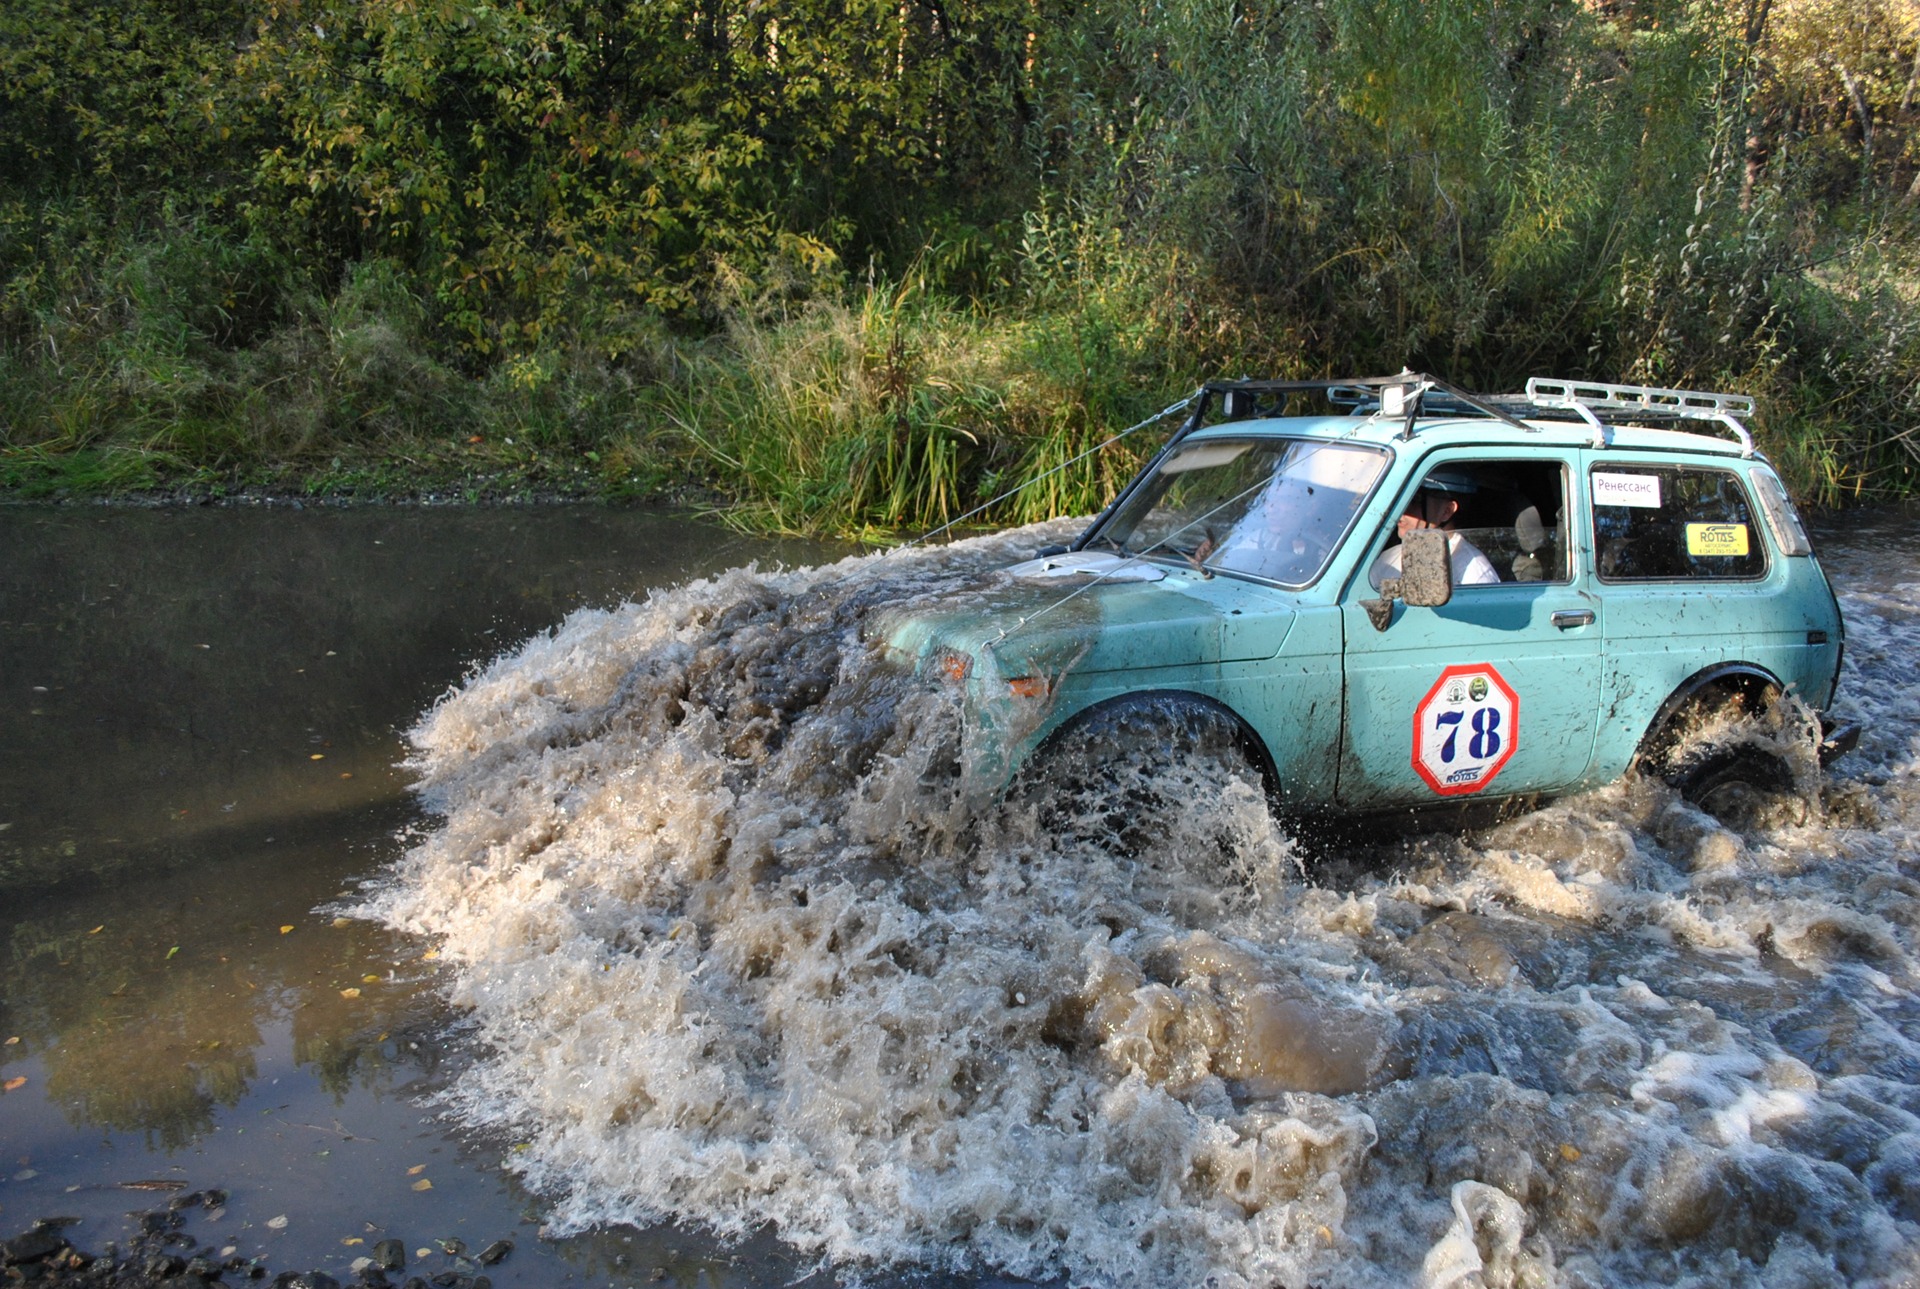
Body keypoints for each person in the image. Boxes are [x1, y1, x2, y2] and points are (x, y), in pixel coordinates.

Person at [1369, 478, 1499, 589]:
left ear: (1447, 511)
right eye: (1400, 502)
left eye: (1415, 501)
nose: (1402, 511)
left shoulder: (1474, 574)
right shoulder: (1389, 557)